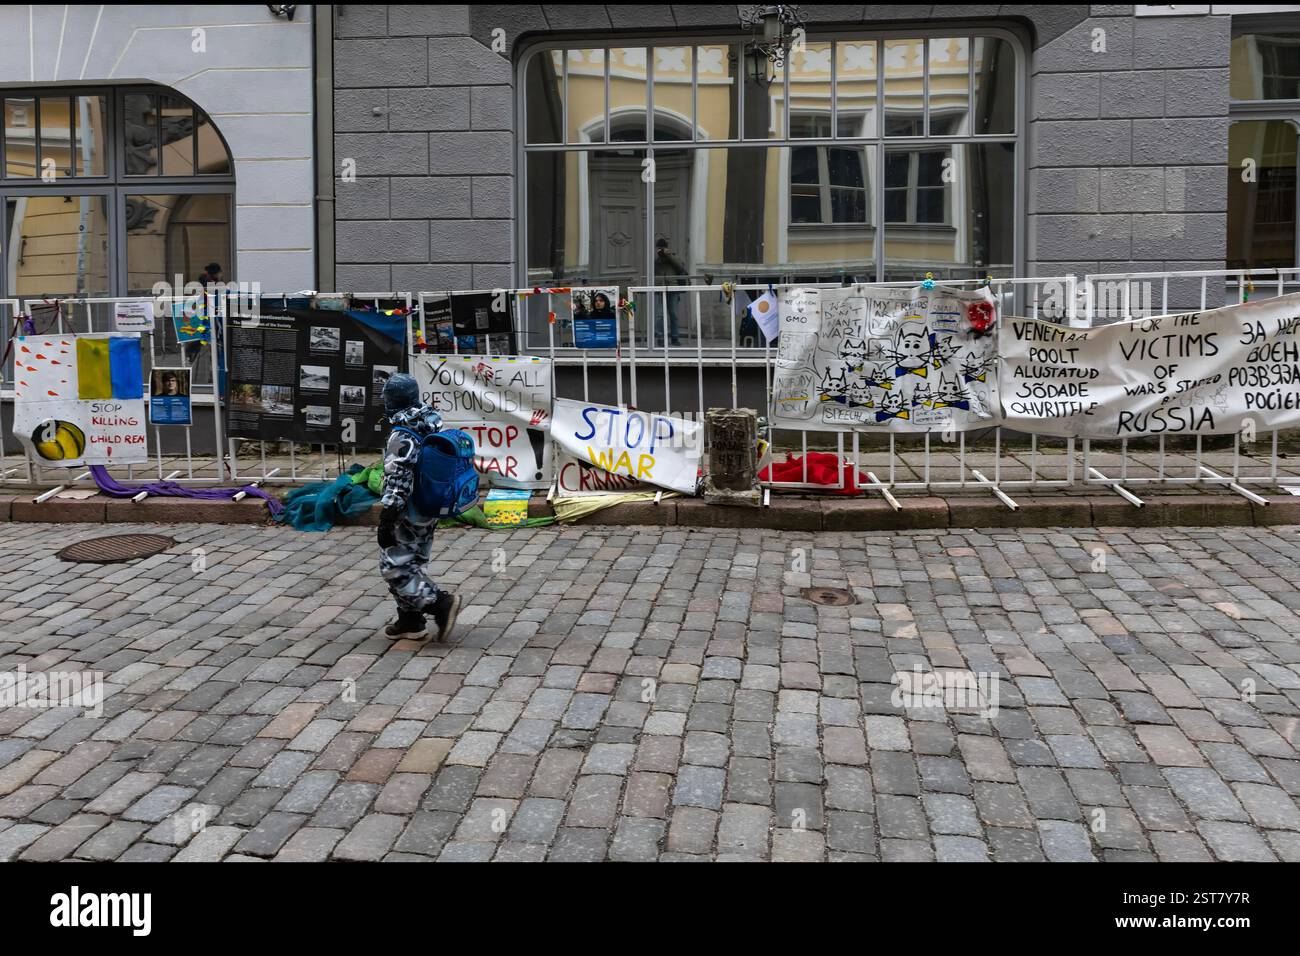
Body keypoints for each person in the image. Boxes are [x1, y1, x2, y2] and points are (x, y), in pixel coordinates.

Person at [377, 372, 460, 640]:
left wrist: (387, 519)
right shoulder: (428, 421)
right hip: (427, 507)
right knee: (415, 562)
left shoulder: (401, 435)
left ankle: (440, 604)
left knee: (395, 567)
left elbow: (398, 480)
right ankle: (410, 620)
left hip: (407, 512)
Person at [655, 238, 687, 346]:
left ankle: (675, 337)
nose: (660, 250)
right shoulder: (658, 260)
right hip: (660, 289)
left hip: (673, 288)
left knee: (674, 314)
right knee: (659, 315)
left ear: (666, 248)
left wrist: (668, 255)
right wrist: (660, 257)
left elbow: (680, 267)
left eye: (662, 248)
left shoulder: (673, 256)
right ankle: (660, 337)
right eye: (659, 248)